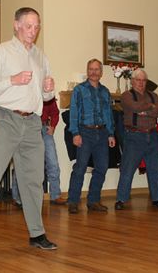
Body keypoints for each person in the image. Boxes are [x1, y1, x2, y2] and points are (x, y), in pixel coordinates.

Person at [0, 7, 57, 254]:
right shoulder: (1, 52)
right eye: (28, 25)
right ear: (16, 25)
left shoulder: (41, 56)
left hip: (32, 123)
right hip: (6, 119)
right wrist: (12, 80)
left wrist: (48, 89)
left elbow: (45, 96)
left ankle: (37, 233)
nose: (33, 31)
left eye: (37, 26)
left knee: (34, 181)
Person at [115, 69, 158, 210]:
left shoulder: (153, 95)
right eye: (138, 80)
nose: (141, 83)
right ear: (132, 81)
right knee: (127, 169)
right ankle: (121, 200)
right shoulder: (126, 95)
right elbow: (134, 106)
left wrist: (146, 110)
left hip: (152, 136)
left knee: (156, 169)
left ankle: (157, 199)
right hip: (134, 136)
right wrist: (151, 107)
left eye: (143, 80)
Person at [67, 59, 115, 214]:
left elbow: (108, 114)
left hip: (102, 134)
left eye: (96, 69)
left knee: (101, 167)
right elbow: (74, 113)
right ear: (87, 71)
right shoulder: (79, 90)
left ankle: (93, 200)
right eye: (91, 69)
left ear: (101, 72)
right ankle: (73, 201)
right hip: (85, 132)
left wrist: (110, 133)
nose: (94, 72)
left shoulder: (105, 91)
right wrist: (75, 133)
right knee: (80, 168)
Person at [42, 96, 68, 205]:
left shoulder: (47, 93)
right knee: (25, 164)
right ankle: (18, 198)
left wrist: (52, 126)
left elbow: (54, 112)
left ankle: (55, 195)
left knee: (53, 163)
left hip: (44, 128)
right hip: (28, 129)